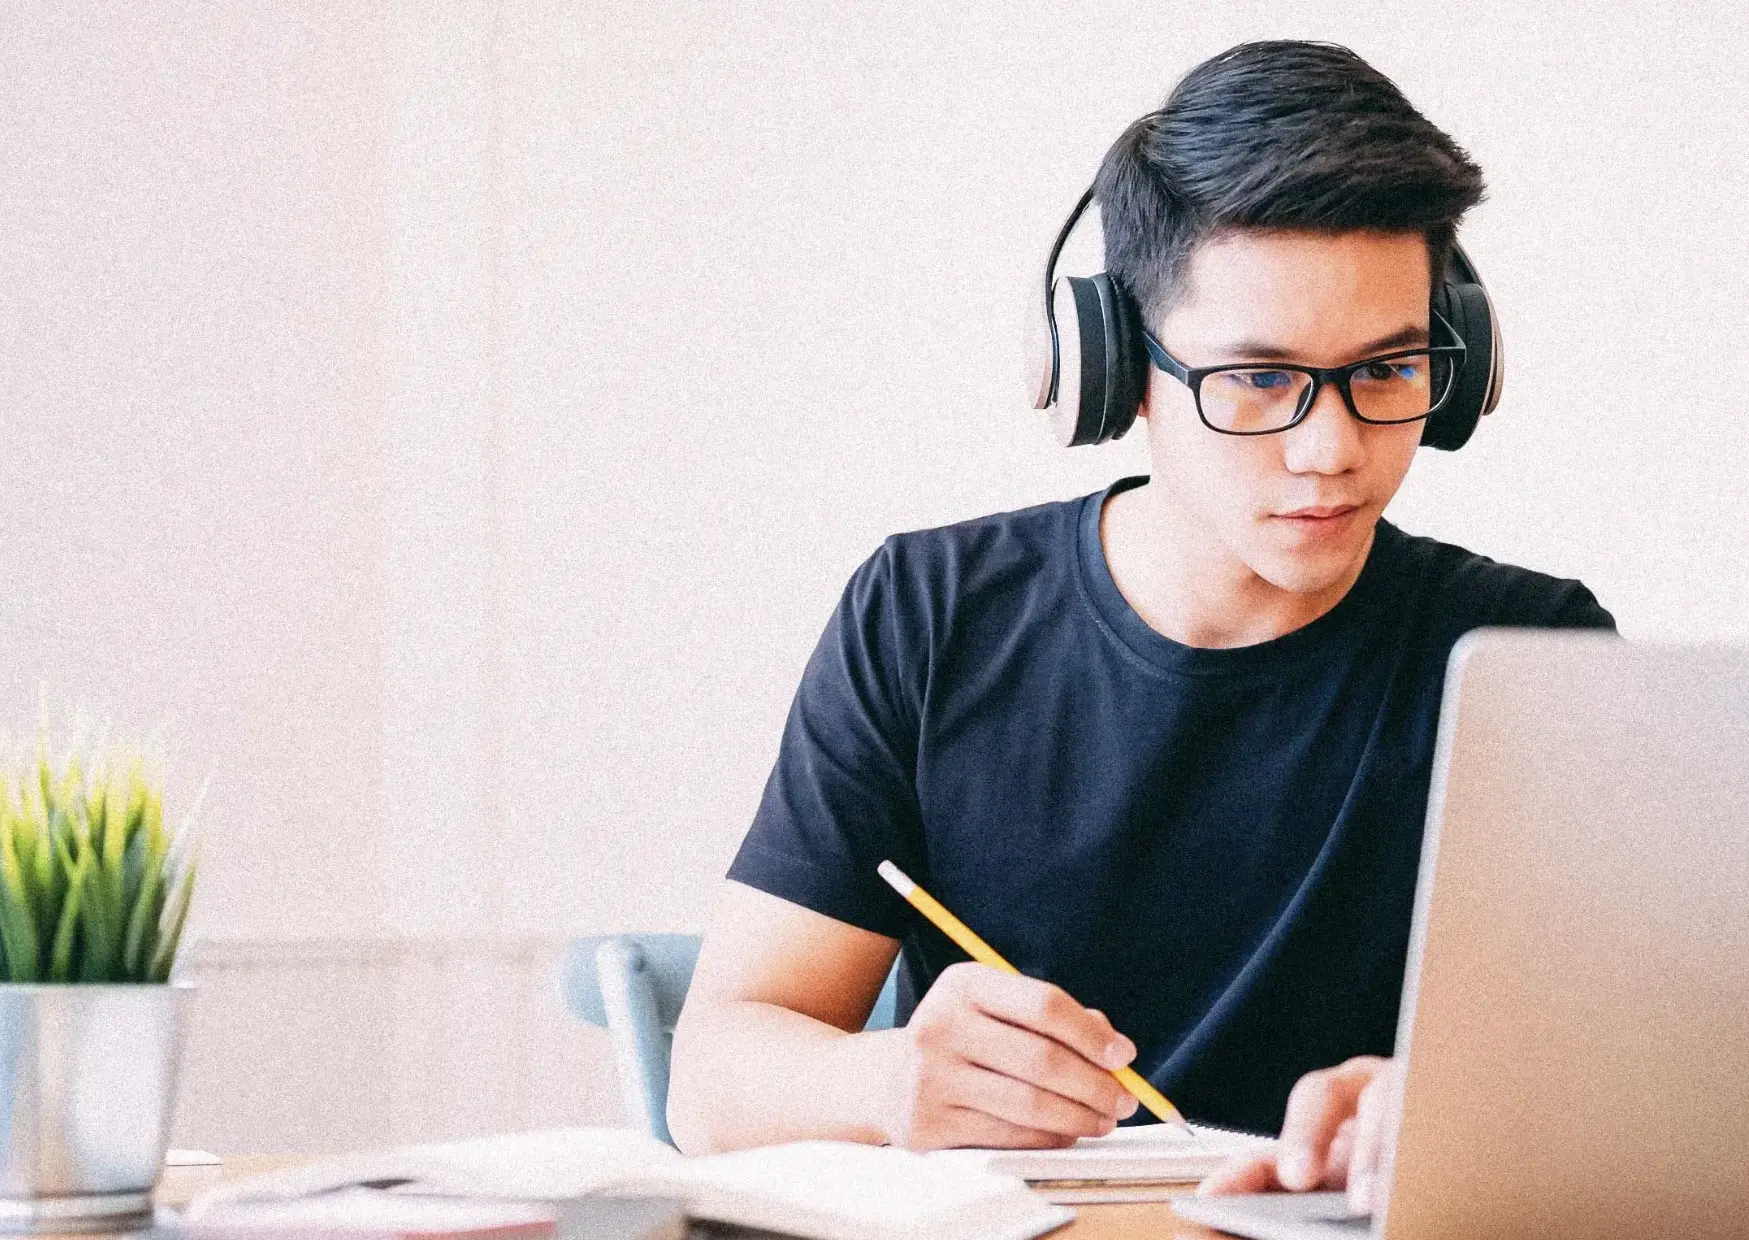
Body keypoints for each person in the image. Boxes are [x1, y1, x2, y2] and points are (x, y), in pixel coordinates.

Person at [666, 40, 1614, 1215]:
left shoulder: (1532, 655)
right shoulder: (928, 613)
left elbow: (1619, 1078)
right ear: (1116, 369)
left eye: (1388, 367)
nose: (1329, 448)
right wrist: (889, 1076)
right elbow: (709, 1080)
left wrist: (1447, 1110)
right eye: (1256, 379)